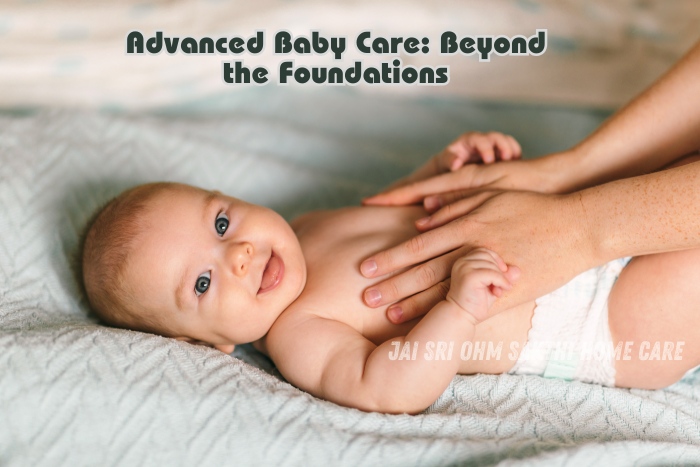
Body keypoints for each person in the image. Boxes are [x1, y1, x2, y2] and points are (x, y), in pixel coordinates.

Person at [82, 131, 700, 414]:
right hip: (602, 322)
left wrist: (444, 168)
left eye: (220, 224)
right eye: (202, 283)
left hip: (576, 223)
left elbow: (399, 208)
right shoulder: (299, 333)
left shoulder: (310, 225)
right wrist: (456, 311)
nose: (237, 253)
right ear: (210, 343)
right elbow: (388, 387)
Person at [360, 40, 700, 325]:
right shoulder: (308, 327)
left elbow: (388, 205)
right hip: (601, 311)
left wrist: (579, 226)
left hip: (584, 280)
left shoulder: (305, 240)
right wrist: (571, 173)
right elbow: (385, 389)